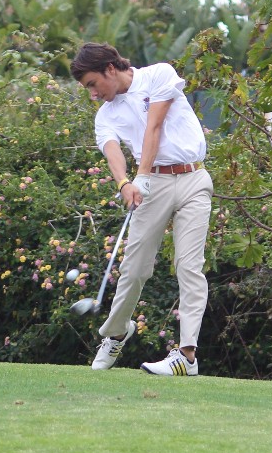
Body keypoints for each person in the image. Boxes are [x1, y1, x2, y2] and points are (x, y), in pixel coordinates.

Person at [70, 42, 213, 376]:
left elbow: (155, 126)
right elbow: (112, 151)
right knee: (134, 269)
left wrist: (142, 175)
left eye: (93, 84)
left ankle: (187, 357)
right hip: (152, 186)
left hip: (193, 177)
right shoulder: (105, 115)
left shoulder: (159, 75)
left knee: (189, 266)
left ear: (109, 69)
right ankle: (117, 332)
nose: (93, 94)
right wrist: (125, 183)